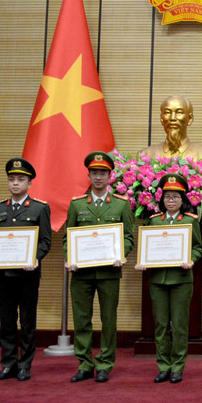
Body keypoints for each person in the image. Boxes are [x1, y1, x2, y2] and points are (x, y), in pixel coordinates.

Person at [0, 158, 51, 382]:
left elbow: (46, 241)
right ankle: (8, 363)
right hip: (2, 276)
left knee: (27, 321)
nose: (15, 183)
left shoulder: (40, 208)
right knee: (6, 321)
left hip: (27, 274)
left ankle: (25, 364)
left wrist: (35, 258)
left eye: (21, 179)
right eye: (12, 179)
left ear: (30, 183)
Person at [64, 151, 134, 383]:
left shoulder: (121, 205)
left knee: (108, 319)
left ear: (109, 176)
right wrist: (70, 257)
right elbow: (68, 238)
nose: (98, 177)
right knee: (82, 319)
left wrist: (120, 253)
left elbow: (128, 237)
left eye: (102, 173)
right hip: (81, 273)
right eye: (94, 173)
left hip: (109, 272)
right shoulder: (76, 205)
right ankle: (84, 363)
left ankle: (105, 363)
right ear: (89, 175)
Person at [135, 173, 202, 384]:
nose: (171, 200)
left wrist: (191, 259)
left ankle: (178, 367)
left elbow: (198, 248)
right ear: (161, 199)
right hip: (158, 281)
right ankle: (163, 366)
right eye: (167, 197)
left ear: (182, 200)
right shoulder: (154, 221)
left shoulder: (191, 222)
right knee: (161, 325)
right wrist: (143, 261)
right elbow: (147, 248)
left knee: (180, 325)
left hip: (181, 280)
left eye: (175, 197)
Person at [139, 95, 202, 160]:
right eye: (167, 112)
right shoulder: (145, 155)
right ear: (161, 118)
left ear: (190, 119)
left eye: (179, 112)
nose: (173, 118)